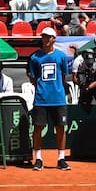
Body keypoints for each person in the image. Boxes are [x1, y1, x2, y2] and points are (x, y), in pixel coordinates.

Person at [27, 26, 71, 171]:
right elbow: (33, 79)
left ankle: (61, 159)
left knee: (60, 128)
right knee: (38, 128)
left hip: (58, 99)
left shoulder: (61, 56)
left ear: (53, 39)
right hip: (41, 99)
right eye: (44, 36)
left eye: (48, 36)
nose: (45, 39)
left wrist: (56, 89)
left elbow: (63, 76)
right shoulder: (34, 57)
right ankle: (38, 159)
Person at [73, 47, 96, 113]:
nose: (89, 66)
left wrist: (88, 88)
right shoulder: (77, 61)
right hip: (83, 79)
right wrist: (81, 84)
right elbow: (74, 77)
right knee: (84, 101)